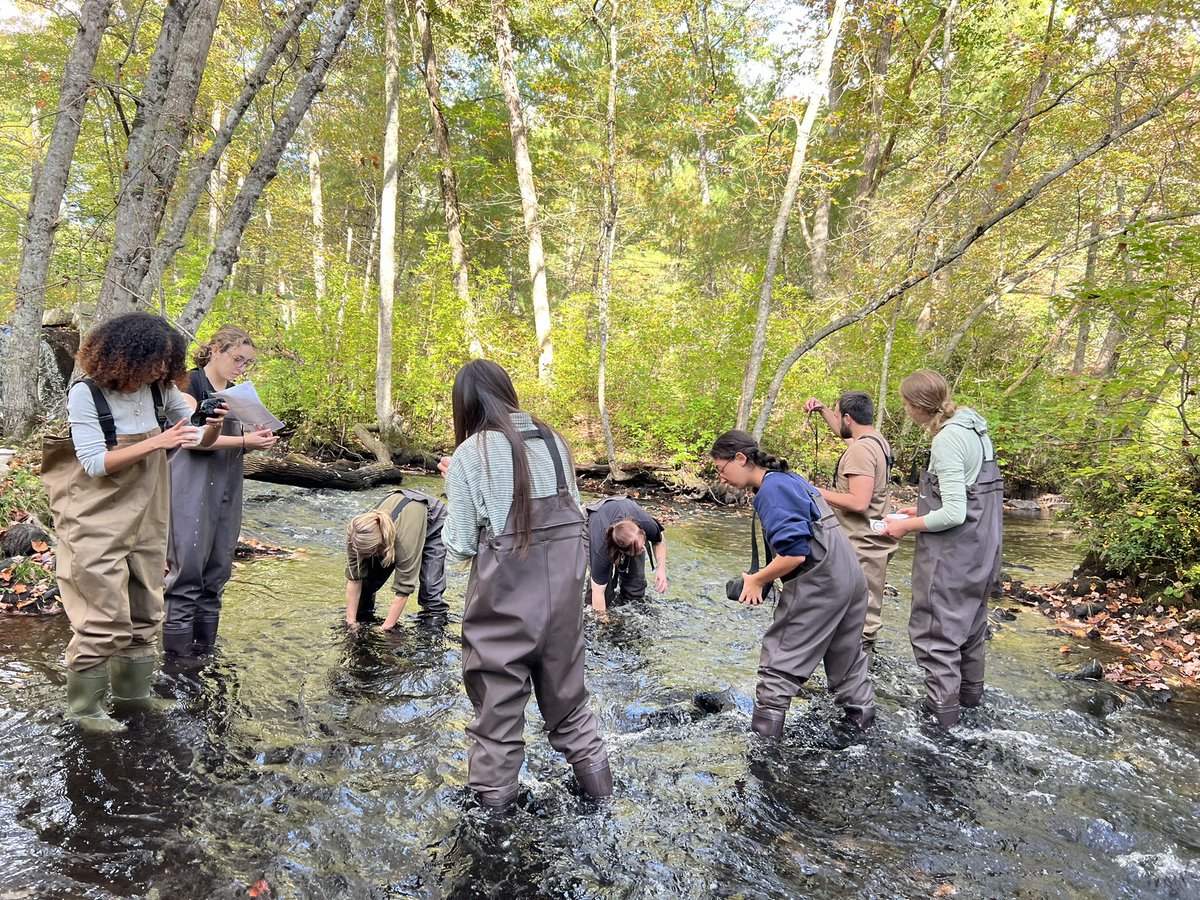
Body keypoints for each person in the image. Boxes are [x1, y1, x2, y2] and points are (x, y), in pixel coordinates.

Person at [440, 359, 612, 809]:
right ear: (506, 391)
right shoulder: (555, 441)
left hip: (505, 609)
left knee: (496, 727)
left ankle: (495, 833)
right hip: (563, 606)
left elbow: (460, 545)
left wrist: (455, 486)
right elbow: (576, 517)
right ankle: (604, 805)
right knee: (571, 711)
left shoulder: (470, 454)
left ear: (465, 406)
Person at [42, 312, 225, 732]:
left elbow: (197, 438)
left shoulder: (160, 390)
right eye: (154, 361)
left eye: (167, 362)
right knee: (101, 616)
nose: (162, 370)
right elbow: (93, 463)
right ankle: (84, 710)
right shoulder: (86, 394)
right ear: (125, 356)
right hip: (94, 517)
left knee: (146, 609)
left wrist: (212, 426)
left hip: (147, 515)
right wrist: (159, 440)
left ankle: (134, 695)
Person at [711, 429, 875, 739]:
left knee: (778, 666)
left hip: (821, 582)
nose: (721, 478)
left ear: (741, 458)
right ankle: (861, 732)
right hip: (850, 577)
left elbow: (794, 555)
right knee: (847, 662)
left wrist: (757, 579)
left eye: (721, 468)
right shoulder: (788, 478)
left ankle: (764, 749)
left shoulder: (772, 490)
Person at [881, 370, 1003, 727]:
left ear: (919, 406)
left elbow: (953, 513)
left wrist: (904, 526)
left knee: (936, 635)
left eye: (906, 405)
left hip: (953, 556)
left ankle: (942, 724)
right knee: (970, 631)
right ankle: (970, 709)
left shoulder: (947, 440)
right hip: (983, 550)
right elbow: (968, 492)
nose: (906, 412)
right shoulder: (974, 428)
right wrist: (920, 509)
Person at [163, 325, 278, 658]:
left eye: (247, 362)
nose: (241, 367)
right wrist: (244, 440)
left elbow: (239, 443)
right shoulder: (189, 384)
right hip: (189, 487)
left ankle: (205, 656)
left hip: (227, 486)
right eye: (237, 359)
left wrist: (257, 440)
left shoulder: (238, 396)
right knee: (187, 574)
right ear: (215, 350)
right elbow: (191, 437)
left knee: (216, 573)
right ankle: (177, 665)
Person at [803, 391, 896, 658]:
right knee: (860, 605)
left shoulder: (860, 451)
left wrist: (812, 491)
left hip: (861, 542)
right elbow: (846, 434)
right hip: (874, 538)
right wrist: (823, 409)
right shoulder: (875, 440)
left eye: (837, 414)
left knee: (862, 613)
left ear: (847, 417)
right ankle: (857, 665)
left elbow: (858, 502)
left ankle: (858, 667)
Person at [344, 488, 448, 629]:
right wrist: (351, 620)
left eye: (368, 553)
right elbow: (354, 578)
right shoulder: (356, 536)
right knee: (366, 584)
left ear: (379, 545)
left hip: (433, 520)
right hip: (400, 512)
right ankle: (365, 615)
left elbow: (404, 589)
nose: (363, 556)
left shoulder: (403, 544)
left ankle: (433, 626)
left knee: (430, 591)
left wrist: (385, 628)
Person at [583, 496, 668, 615]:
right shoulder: (600, 549)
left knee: (635, 586)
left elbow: (658, 540)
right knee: (604, 592)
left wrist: (661, 569)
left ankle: (631, 609)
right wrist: (603, 620)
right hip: (594, 517)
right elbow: (598, 592)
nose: (644, 549)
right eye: (639, 549)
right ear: (622, 551)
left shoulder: (645, 523)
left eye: (643, 544)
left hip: (623, 507)